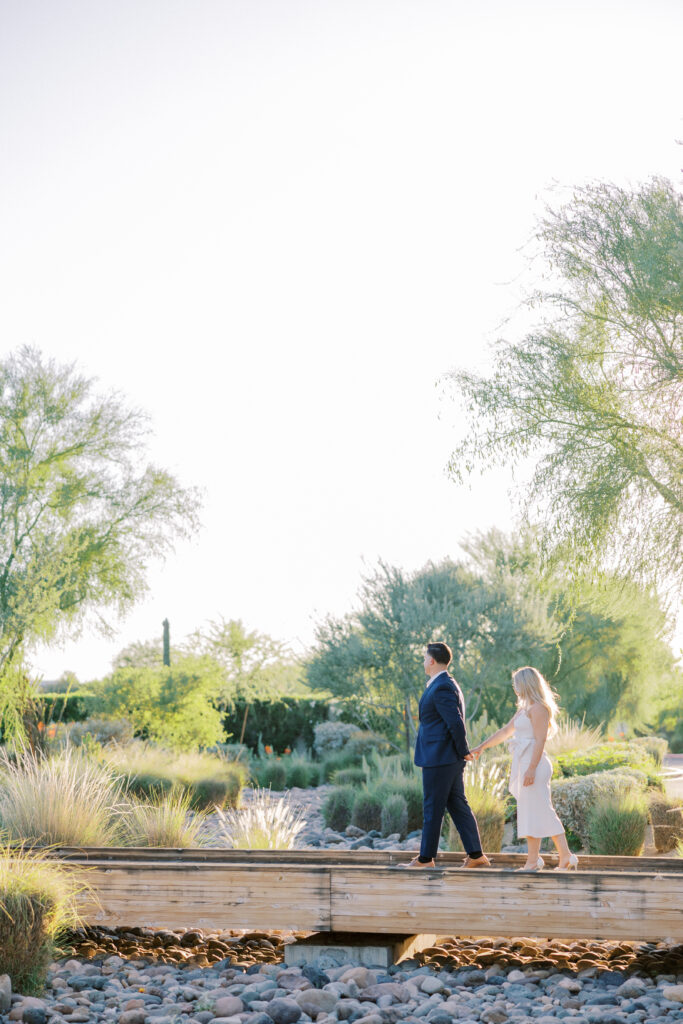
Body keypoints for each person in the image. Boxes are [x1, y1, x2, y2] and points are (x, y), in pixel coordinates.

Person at [471, 666, 578, 872]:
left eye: (516, 683)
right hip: (525, 764)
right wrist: (481, 747)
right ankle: (546, 858)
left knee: (541, 811)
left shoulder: (539, 708)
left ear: (526, 683)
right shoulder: (524, 709)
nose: (515, 687)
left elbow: (540, 741)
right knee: (531, 813)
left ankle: (552, 858)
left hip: (534, 765)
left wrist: (531, 768)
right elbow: (505, 731)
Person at [401, 641, 490, 869]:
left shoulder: (442, 686)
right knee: (458, 806)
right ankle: (476, 855)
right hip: (444, 758)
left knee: (432, 807)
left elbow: (456, 723)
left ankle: (425, 859)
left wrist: (463, 751)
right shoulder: (443, 684)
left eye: (424, 658)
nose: (423, 662)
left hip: (440, 758)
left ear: (431, 660)